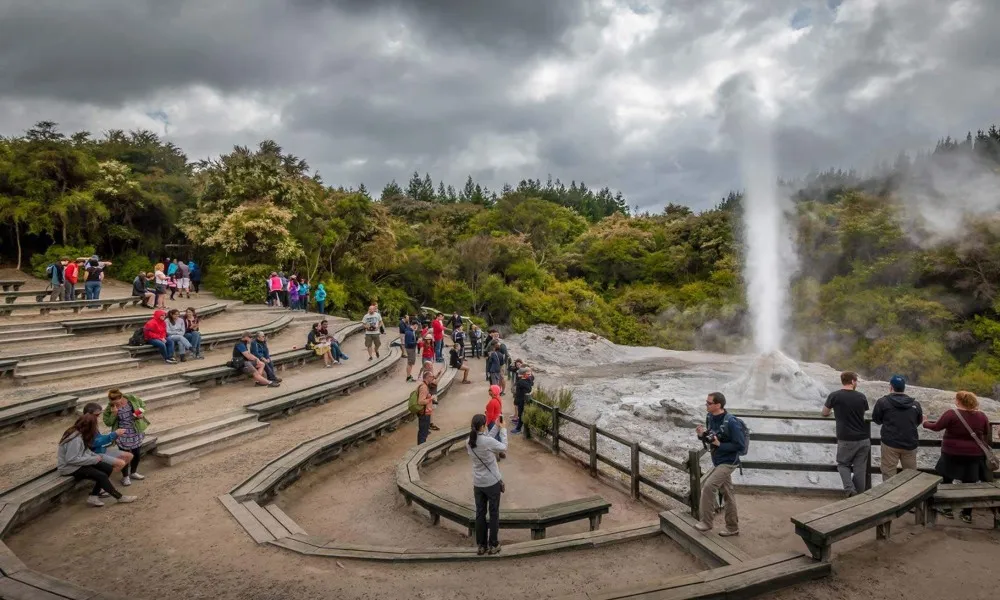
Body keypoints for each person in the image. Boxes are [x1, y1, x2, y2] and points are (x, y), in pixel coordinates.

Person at [923, 391, 993, 523]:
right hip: (974, 455)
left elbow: (937, 427)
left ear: (959, 401)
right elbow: (985, 432)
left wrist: (925, 422)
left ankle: (947, 509)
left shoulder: (951, 413)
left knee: (947, 479)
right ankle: (966, 513)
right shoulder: (982, 416)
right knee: (970, 483)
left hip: (951, 454)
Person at [57, 413, 137, 507]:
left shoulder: (80, 432)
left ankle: (93, 497)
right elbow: (71, 459)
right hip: (69, 468)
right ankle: (119, 497)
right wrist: (93, 459)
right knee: (101, 475)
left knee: (107, 468)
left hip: (79, 462)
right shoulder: (75, 439)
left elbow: (84, 450)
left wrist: (94, 456)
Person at [694, 392, 745, 536]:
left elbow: (740, 446)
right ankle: (732, 527)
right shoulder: (710, 417)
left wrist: (720, 444)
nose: (706, 405)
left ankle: (706, 522)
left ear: (718, 405)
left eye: (709, 403)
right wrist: (701, 435)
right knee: (728, 494)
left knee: (709, 486)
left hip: (729, 461)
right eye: (706, 402)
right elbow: (712, 437)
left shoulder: (732, 422)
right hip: (718, 460)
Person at [822, 371, 871, 496]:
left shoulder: (834, 396)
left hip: (846, 438)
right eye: (856, 381)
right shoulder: (861, 396)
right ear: (853, 381)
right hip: (863, 438)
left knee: (843, 465)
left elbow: (825, 412)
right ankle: (858, 498)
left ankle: (850, 491)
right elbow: (863, 412)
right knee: (860, 469)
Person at [467, 413, 507, 555]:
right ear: (483, 426)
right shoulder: (486, 441)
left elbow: (485, 438)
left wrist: (496, 425)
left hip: (478, 483)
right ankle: (493, 544)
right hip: (492, 483)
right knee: (494, 513)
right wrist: (503, 429)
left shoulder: (469, 441)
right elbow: (503, 447)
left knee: (480, 513)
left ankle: (482, 545)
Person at [872, 375, 923, 482]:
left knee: (888, 473)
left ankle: (889, 497)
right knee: (910, 475)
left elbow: (876, 419)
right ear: (904, 388)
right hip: (910, 443)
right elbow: (918, 421)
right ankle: (910, 497)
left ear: (891, 387)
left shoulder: (883, 402)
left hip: (890, 443)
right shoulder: (915, 404)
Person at [102, 389, 150, 486]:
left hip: (135, 430)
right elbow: (108, 423)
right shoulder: (110, 408)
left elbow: (143, 406)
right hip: (122, 433)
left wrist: (140, 414)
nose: (116, 404)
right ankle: (125, 477)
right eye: (113, 402)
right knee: (125, 456)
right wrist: (114, 414)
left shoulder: (132, 399)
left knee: (136, 453)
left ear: (121, 397)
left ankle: (133, 472)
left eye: (118, 401)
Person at [512, 367, 534, 435]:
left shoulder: (522, 382)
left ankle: (518, 428)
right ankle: (520, 427)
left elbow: (529, 388)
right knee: (521, 414)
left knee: (521, 414)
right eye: (528, 374)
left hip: (523, 400)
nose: (529, 375)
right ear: (524, 374)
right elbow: (529, 388)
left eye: (529, 374)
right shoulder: (524, 381)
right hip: (522, 400)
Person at [416, 370, 436, 444]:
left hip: (425, 413)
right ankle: (421, 451)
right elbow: (420, 401)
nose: (433, 378)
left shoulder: (425, 385)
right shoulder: (424, 387)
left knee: (423, 433)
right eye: (432, 377)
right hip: (424, 414)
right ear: (427, 377)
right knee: (423, 434)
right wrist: (431, 398)